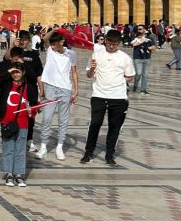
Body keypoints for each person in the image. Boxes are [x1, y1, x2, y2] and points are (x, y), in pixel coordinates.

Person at [81, 29, 135, 166]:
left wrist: (118, 81)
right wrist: (92, 68)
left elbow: (130, 77)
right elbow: (88, 75)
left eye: (115, 44)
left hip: (118, 97)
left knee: (114, 126)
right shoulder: (96, 54)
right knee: (95, 124)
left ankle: (109, 155)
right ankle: (88, 152)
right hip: (99, 95)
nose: (112, 46)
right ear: (105, 40)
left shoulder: (125, 57)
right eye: (110, 43)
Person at [36, 30, 78, 161]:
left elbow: (74, 72)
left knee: (63, 119)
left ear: (62, 42)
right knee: (47, 118)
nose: (53, 46)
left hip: (65, 89)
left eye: (55, 44)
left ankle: (60, 147)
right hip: (50, 88)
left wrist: (76, 90)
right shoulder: (50, 51)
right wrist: (55, 30)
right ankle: (43, 147)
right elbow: (45, 39)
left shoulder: (71, 54)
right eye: (52, 44)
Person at [0, 63, 37, 187]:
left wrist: (31, 110)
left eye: (18, 72)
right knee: (8, 149)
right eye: (13, 72)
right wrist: (9, 70)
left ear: (23, 73)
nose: (15, 74)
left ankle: (18, 175)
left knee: (20, 150)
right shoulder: (7, 84)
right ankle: (8, 174)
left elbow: (35, 104)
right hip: (7, 122)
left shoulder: (28, 87)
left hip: (22, 122)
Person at [130, 25, 156, 94]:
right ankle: (135, 85)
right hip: (137, 58)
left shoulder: (149, 38)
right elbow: (133, 44)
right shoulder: (135, 37)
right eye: (138, 29)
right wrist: (142, 40)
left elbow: (154, 47)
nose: (139, 30)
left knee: (145, 74)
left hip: (147, 58)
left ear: (144, 30)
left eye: (140, 29)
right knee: (138, 73)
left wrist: (148, 48)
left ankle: (143, 89)